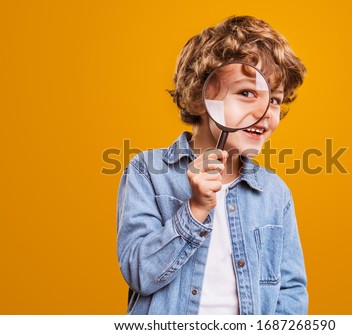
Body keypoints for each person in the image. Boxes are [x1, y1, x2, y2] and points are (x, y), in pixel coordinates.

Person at [116, 15, 308, 315]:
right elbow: (140, 273)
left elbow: (291, 290)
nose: (265, 112)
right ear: (199, 99)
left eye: (275, 100)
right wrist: (194, 210)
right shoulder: (146, 172)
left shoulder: (275, 193)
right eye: (247, 93)